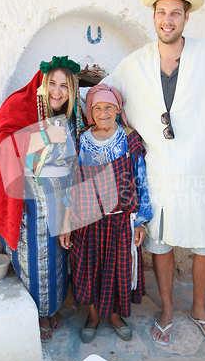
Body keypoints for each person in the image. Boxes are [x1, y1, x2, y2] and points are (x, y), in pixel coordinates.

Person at [81, 0, 205, 345]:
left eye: (175, 13)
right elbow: (102, 95)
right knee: (160, 243)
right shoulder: (136, 62)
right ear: (153, 17)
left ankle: (199, 308)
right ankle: (168, 307)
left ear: (187, 17)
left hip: (203, 170)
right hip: (157, 172)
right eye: (161, 13)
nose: (167, 20)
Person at [0, 55, 83, 342]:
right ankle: (37, 314)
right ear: (42, 84)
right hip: (26, 201)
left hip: (57, 201)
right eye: (52, 83)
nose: (57, 91)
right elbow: (1, 147)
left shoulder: (73, 114)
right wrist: (43, 136)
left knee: (56, 259)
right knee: (34, 261)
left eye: (64, 86)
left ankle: (51, 308)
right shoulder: (21, 104)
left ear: (73, 90)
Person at [59, 84, 152, 343]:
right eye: (97, 107)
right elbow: (71, 184)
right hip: (87, 221)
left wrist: (141, 222)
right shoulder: (82, 142)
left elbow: (141, 180)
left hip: (121, 220)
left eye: (108, 107)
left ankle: (114, 315)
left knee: (117, 270)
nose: (103, 112)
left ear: (117, 109)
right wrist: (66, 222)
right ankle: (93, 316)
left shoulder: (130, 139)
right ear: (90, 111)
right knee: (89, 269)